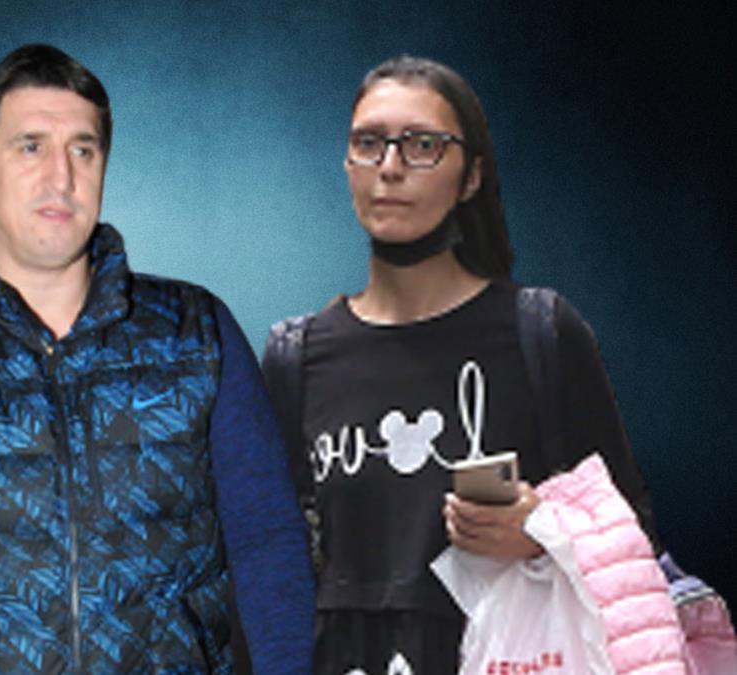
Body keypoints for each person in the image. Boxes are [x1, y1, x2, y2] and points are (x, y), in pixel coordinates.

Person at [0, 43, 315, 674]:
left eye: (83, 150)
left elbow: (267, 543)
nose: (61, 177)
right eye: (30, 147)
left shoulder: (196, 330)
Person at [261, 56, 659, 674]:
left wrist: (542, 534)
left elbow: (635, 543)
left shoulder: (540, 332)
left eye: (423, 145)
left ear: (471, 176)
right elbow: (268, 566)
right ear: (347, 164)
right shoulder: (296, 357)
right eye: (368, 143)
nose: (390, 166)